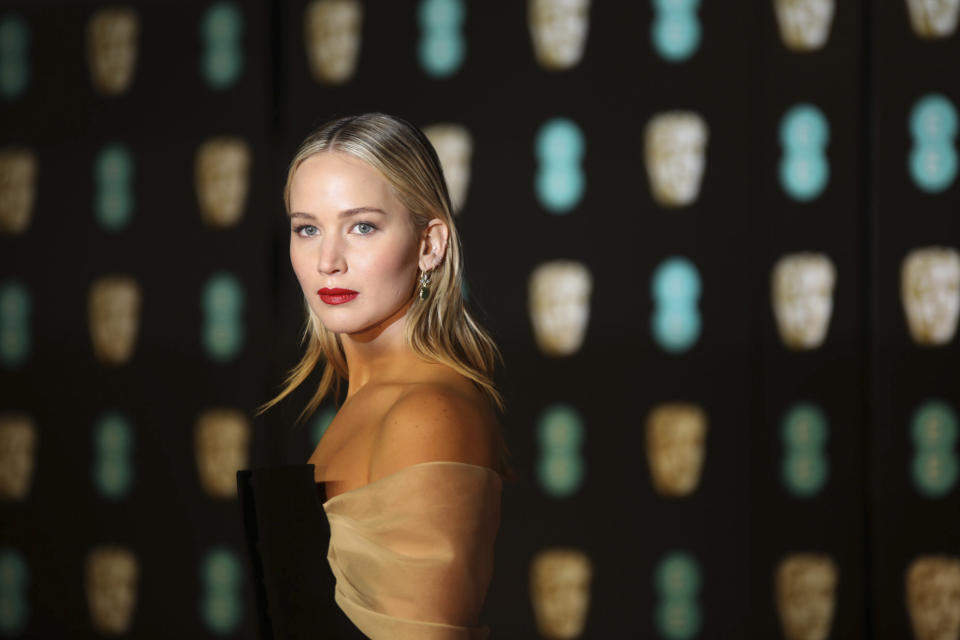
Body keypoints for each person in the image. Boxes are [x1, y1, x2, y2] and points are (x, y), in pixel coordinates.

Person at [237, 113, 507, 639]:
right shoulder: (371, 401)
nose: (328, 261)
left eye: (362, 226)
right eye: (307, 229)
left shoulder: (426, 412)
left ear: (430, 245)